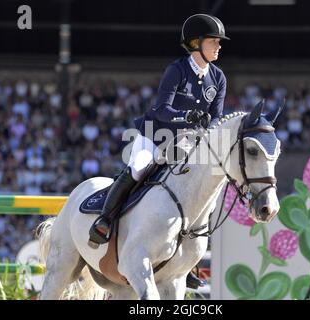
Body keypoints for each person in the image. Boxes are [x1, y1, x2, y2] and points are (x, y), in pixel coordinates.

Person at [88, 13, 230, 288]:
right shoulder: (176, 70)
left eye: (218, 42)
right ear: (195, 43)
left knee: (201, 187)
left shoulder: (218, 78)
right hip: (155, 136)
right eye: (214, 41)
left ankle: (186, 260)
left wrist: (205, 133)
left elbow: (216, 118)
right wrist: (187, 117)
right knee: (139, 168)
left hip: (189, 143)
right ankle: (105, 221)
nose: (219, 46)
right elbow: (161, 109)